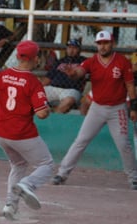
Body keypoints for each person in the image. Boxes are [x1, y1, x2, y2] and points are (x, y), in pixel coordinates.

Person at [0, 40, 53, 220]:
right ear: (35, 59)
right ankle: (27, 185)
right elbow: (42, 114)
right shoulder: (33, 82)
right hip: (21, 133)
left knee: (18, 165)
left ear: (18, 57)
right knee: (46, 164)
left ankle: (10, 206)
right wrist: (47, 108)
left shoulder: (3, 75)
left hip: (1, 133)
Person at [52, 31, 137, 190]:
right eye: (100, 43)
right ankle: (62, 173)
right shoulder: (92, 61)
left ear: (112, 44)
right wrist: (72, 74)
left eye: (106, 43)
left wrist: (133, 107)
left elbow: (130, 86)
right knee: (81, 141)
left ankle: (134, 178)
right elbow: (79, 72)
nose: (103, 46)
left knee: (124, 144)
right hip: (97, 108)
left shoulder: (122, 62)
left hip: (117, 109)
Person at [41, 38, 87, 113]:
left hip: (71, 90)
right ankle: (47, 115)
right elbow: (48, 78)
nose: (71, 50)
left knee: (68, 101)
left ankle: (54, 120)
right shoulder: (60, 61)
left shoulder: (83, 61)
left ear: (79, 49)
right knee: (35, 95)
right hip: (53, 88)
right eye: (69, 47)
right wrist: (36, 88)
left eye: (74, 48)